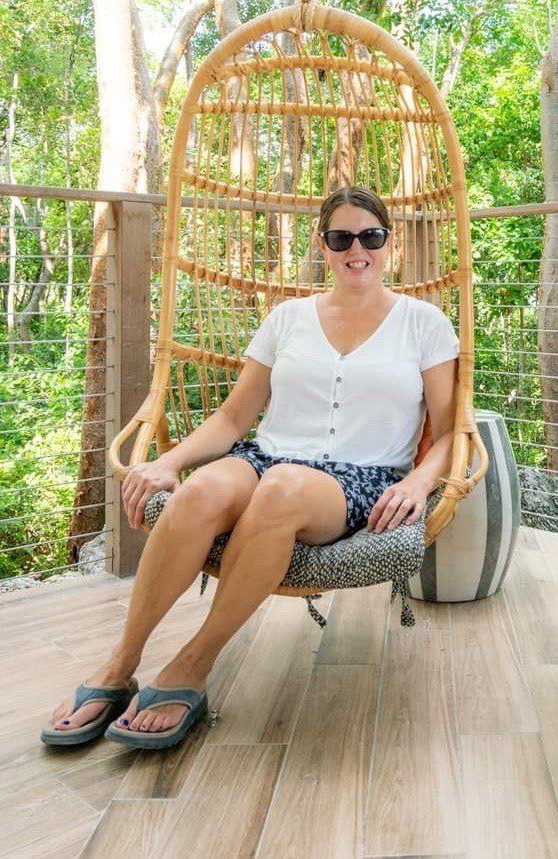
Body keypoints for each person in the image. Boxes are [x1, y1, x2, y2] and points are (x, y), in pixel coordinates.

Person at [42, 186, 459, 750]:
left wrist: (419, 480)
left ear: (389, 243)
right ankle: (121, 663)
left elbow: (451, 428)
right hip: (268, 456)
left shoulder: (423, 323)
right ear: (323, 245)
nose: (355, 249)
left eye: (370, 236)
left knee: (283, 489)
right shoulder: (288, 318)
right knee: (200, 491)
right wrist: (169, 461)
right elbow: (236, 414)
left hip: (359, 478)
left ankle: (193, 663)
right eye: (341, 238)